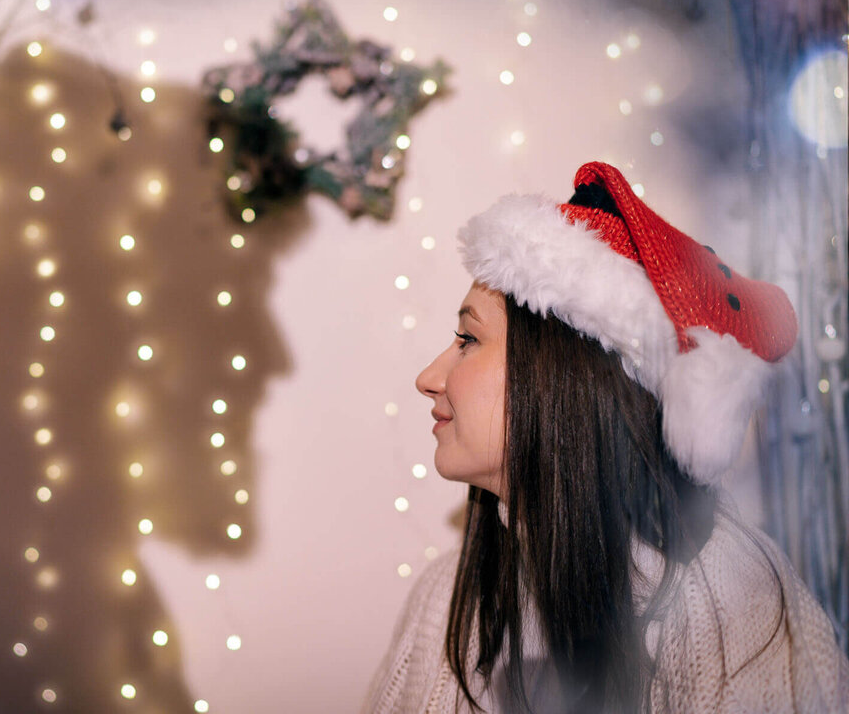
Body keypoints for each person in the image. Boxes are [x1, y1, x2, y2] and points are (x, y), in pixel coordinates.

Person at [361, 162, 849, 713]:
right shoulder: (446, 596)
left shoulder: (729, 603)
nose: (429, 378)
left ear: (568, 375)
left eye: (468, 339)